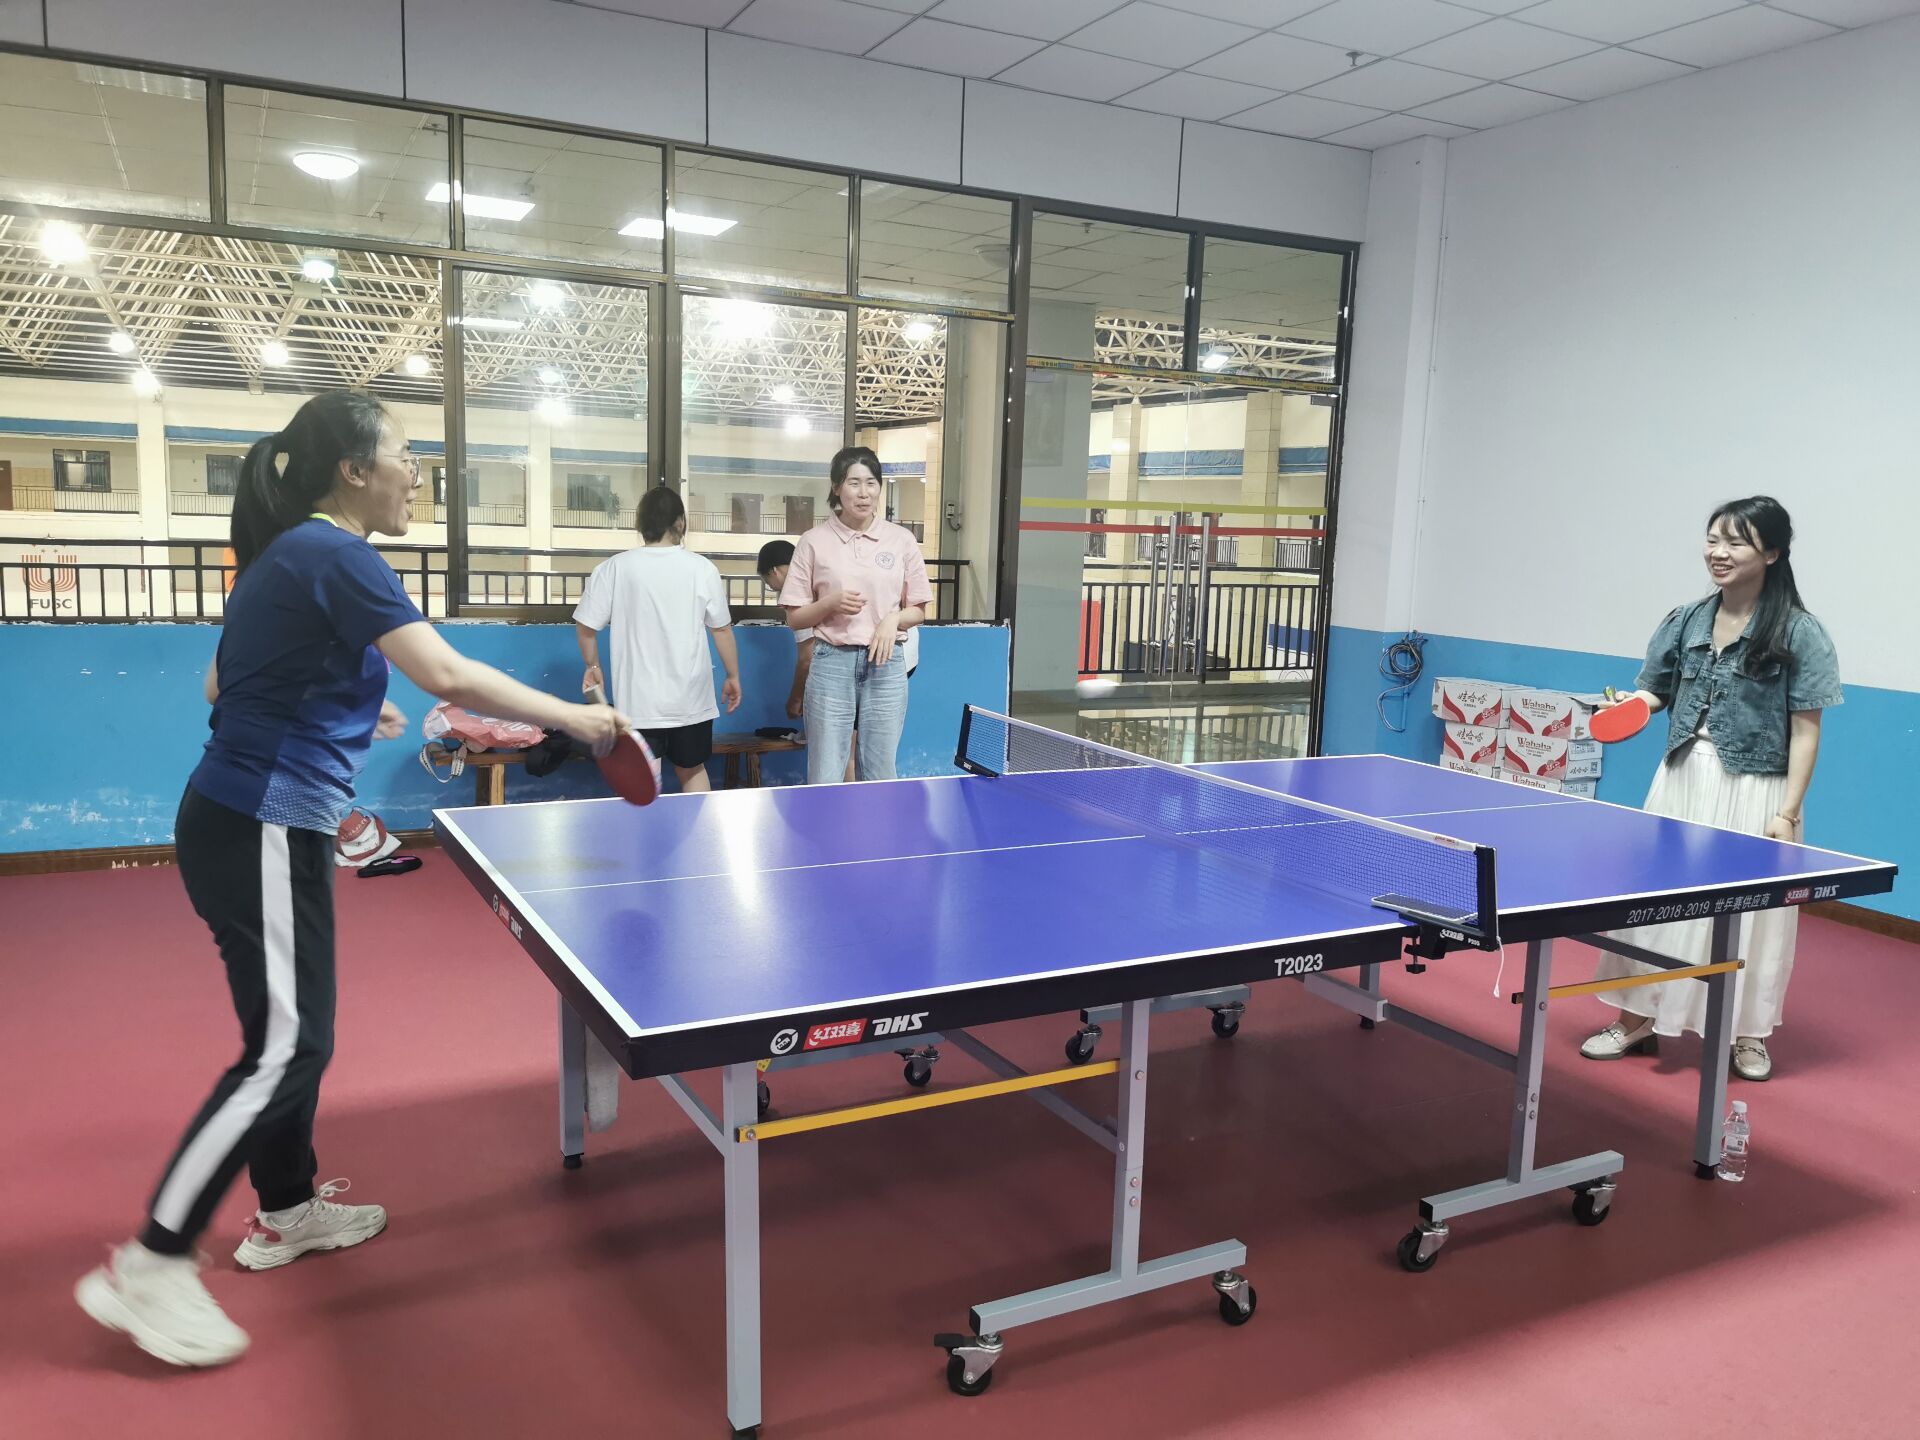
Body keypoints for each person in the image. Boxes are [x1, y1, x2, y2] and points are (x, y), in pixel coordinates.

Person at [76, 391, 629, 1368]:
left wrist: (341, 706)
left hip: (251, 822)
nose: (418, 473)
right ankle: (151, 1262)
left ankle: (288, 1208)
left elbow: (222, 683)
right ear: (355, 470)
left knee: (289, 1037)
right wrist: (575, 718)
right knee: (288, 1048)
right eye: (407, 455)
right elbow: (448, 676)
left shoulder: (284, 557)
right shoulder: (336, 553)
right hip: (257, 822)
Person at [1582, 496, 1841, 1082]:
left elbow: (1806, 731)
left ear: (1772, 553)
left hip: (1757, 787)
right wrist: (1629, 707)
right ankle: (1635, 1018)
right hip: (1681, 779)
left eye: (1736, 542)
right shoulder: (1685, 620)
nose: (1718, 553)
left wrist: (1787, 812)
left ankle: (1747, 1032)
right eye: (1713, 539)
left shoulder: (1799, 632)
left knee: (1754, 916)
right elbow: (1655, 690)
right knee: (1655, 902)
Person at [777, 447, 930, 784]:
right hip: (831, 663)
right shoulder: (813, 541)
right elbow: (795, 618)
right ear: (836, 488)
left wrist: (893, 620)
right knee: (825, 773)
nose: (864, 493)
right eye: (854, 483)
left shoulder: (901, 540)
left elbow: (918, 610)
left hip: (886, 664)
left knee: (880, 772)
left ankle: (877, 822)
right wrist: (829, 603)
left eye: (871, 483)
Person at [576, 486, 740, 793]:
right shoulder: (702, 568)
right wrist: (732, 676)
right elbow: (721, 629)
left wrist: (593, 666)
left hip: (637, 701)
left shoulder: (614, 567)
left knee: (640, 779)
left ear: (640, 524)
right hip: (691, 700)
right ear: (680, 522)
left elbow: (586, 626)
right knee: (692, 770)